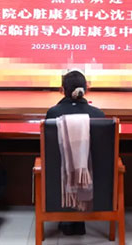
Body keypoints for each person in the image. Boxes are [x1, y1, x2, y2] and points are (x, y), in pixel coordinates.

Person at [45, 70, 105, 236]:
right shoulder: (98, 114)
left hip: (59, 176)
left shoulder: (53, 113)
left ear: (62, 90)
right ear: (86, 89)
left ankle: (68, 214)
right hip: (90, 177)